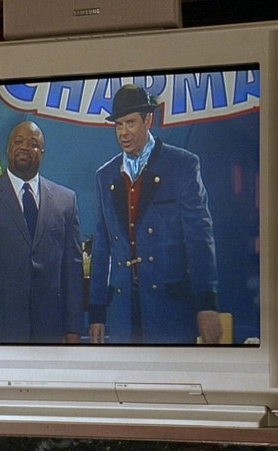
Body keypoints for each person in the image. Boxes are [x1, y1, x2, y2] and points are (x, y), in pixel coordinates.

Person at [88, 84, 222, 344]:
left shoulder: (182, 166)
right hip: (122, 312)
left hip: (170, 311)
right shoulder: (105, 176)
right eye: (118, 125)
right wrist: (97, 312)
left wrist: (207, 303)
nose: (123, 133)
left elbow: (199, 238)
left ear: (148, 120)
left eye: (130, 123)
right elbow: (102, 247)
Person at [0, 120, 83, 343]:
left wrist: (73, 329)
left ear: (42, 152)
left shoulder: (66, 201)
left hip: (50, 332)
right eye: (18, 141)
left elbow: (72, 272)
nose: (25, 147)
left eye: (33, 143)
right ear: (7, 148)